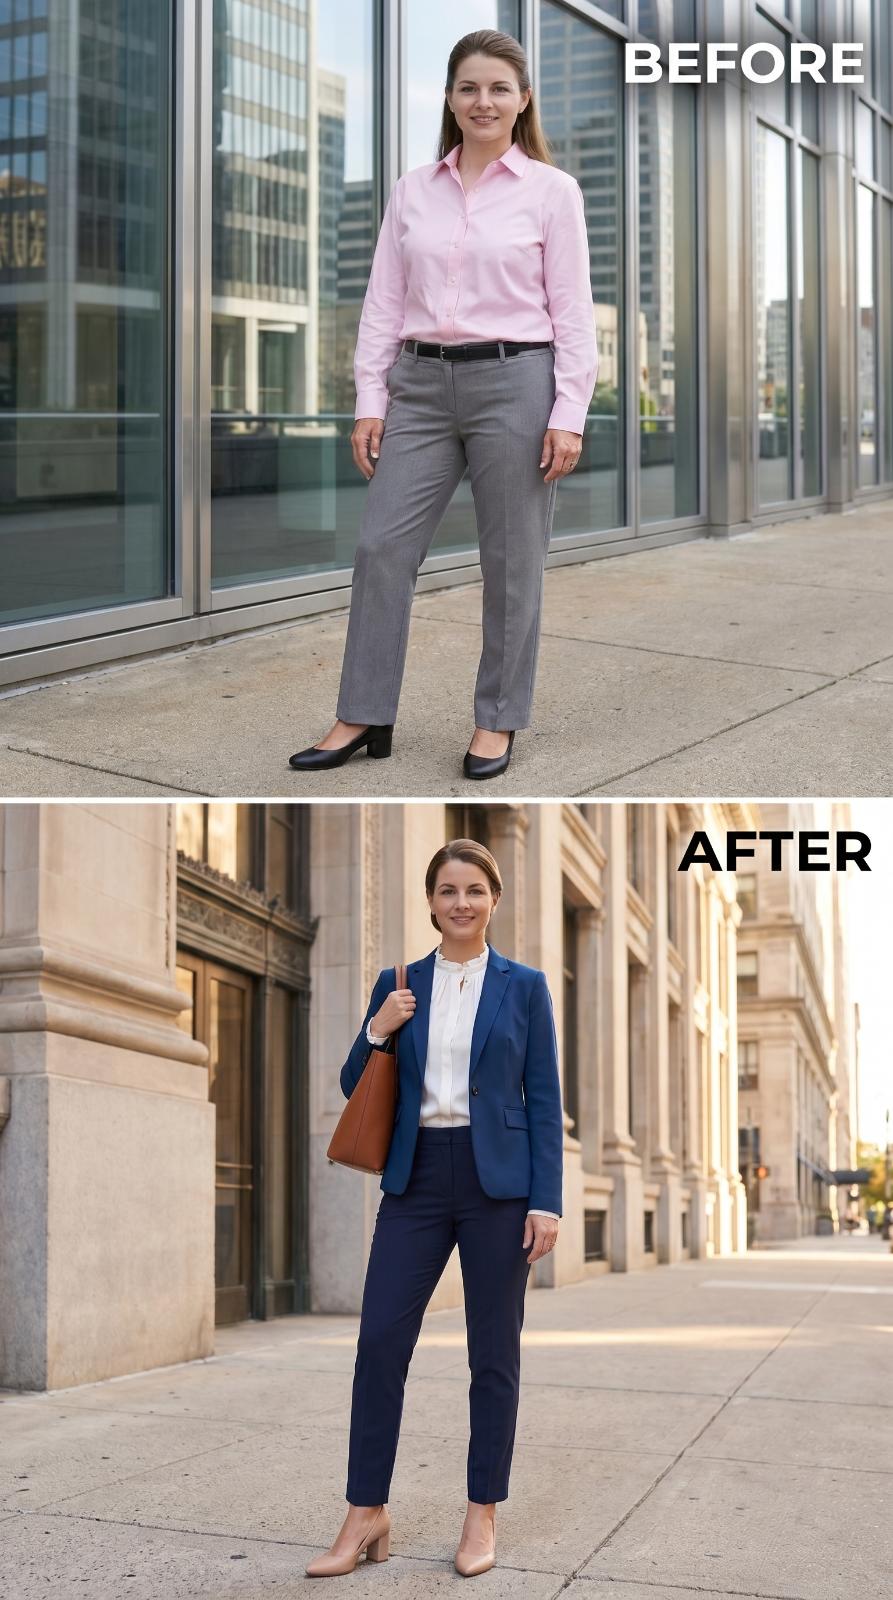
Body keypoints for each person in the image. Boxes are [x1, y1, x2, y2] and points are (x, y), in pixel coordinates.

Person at [290, 27, 598, 782]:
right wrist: (371, 399)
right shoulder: (412, 190)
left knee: (511, 563)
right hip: (419, 386)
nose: (482, 100)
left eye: (498, 87)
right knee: (380, 549)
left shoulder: (551, 193)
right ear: (450, 99)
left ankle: (496, 720)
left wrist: (568, 413)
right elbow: (382, 304)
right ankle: (362, 714)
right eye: (468, 87)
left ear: (522, 100)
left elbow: (574, 313)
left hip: (515, 380)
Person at [305, 839, 563, 1578]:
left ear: (494, 900)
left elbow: (542, 1099)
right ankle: (365, 1511)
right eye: (448, 890)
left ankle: (481, 1512)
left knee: (493, 1356)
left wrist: (544, 1201)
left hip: (498, 1187)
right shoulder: (400, 982)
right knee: (379, 1342)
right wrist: (379, 1025)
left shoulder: (524, 987)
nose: (461, 903)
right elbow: (357, 1080)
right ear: (429, 902)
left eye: (474, 890)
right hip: (416, 1179)